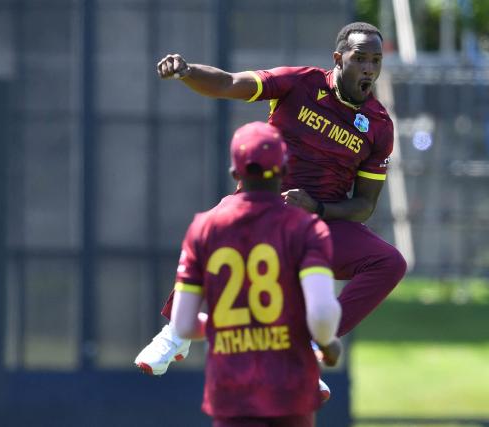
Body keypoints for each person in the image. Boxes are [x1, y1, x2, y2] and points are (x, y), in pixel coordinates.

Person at [135, 22, 407, 397]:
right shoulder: (300, 83)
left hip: (318, 222)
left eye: (375, 61)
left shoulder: (378, 125)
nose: (368, 69)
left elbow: (363, 206)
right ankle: (175, 334)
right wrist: (186, 71)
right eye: (360, 58)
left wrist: (319, 207)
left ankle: (310, 348)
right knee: (213, 226)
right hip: (264, 204)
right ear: (338, 59)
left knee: (389, 263)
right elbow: (230, 83)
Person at [147, 121, 342, 427]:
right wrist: (328, 343)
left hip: (232, 391)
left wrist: (232, 323)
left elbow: (183, 324)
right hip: (290, 388)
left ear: (235, 175)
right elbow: (320, 313)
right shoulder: (307, 228)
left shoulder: (203, 228)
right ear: (284, 170)